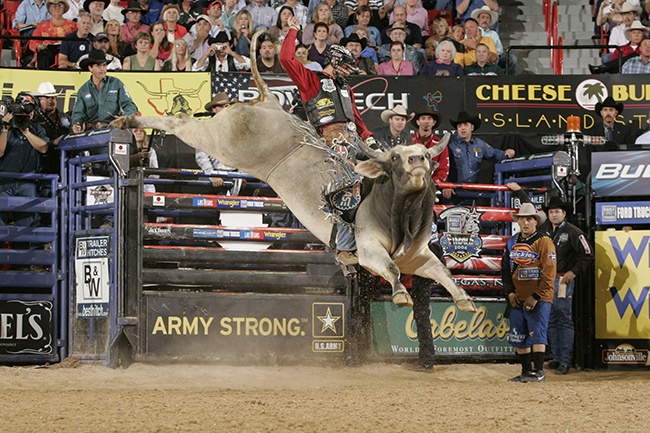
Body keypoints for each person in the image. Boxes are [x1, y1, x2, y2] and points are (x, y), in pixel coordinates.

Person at [280, 15, 376, 265]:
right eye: (345, 66)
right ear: (334, 62)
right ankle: (345, 247)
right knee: (347, 189)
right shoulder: (312, 81)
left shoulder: (346, 89)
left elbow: (356, 118)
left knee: (381, 176)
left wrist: (371, 140)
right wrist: (293, 30)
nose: (348, 71)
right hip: (329, 141)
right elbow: (286, 59)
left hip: (352, 139)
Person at [502, 202, 556, 383]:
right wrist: (509, 292)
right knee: (519, 335)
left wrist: (536, 296)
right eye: (522, 219)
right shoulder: (512, 242)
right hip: (518, 297)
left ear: (535, 221)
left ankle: (539, 371)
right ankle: (526, 371)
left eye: (529, 219)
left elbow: (550, 273)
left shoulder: (544, 242)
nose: (525, 223)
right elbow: (505, 270)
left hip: (539, 297)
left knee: (538, 333)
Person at [544, 196, 594, 375]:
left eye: (557, 211)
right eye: (551, 212)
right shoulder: (546, 231)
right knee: (551, 319)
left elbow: (587, 253)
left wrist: (573, 272)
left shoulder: (573, 232)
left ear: (564, 214)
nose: (554, 214)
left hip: (563, 280)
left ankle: (565, 360)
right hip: (548, 281)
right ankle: (557, 358)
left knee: (563, 319)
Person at [0, 94, 50, 242]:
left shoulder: (37, 128)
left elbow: (43, 148)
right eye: (24, 111)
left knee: (26, 224)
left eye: (31, 110)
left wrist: (26, 131)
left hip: (28, 182)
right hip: (4, 182)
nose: (28, 114)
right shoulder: (4, 128)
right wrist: (5, 128)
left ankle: (22, 263)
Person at [443, 111, 514, 202]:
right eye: (460, 125)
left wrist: (506, 153)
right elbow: (441, 164)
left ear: (472, 127)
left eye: (465, 124)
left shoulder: (479, 144)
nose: (462, 128)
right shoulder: (449, 143)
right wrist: (445, 185)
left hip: (473, 194)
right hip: (454, 193)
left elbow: (494, 155)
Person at [71, 49, 138, 132]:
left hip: (114, 128)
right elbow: (78, 113)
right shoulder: (83, 90)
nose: (102, 68)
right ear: (90, 68)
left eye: (104, 65)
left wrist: (126, 117)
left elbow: (129, 104)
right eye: (98, 66)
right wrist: (77, 124)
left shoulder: (116, 83)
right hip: (91, 130)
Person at [195, 93, 243, 195]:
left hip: (234, 175)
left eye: (226, 106)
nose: (224, 108)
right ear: (214, 109)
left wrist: (241, 175)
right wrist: (212, 175)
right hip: (212, 175)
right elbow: (201, 156)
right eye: (221, 106)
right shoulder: (205, 128)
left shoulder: (237, 129)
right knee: (207, 208)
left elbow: (243, 154)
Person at [30, 82, 71, 176]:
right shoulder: (34, 119)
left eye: (53, 97)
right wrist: (53, 142)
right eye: (47, 98)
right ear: (39, 100)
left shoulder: (64, 117)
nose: (50, 100)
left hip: (64, 163)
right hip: (42, 164)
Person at [29, 0, 78, 69]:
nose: (57, 8)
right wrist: (39, 46)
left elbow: (79, 38)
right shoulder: (42, 26)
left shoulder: (72, 25)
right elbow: (33, 41)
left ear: (64, 9)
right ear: (49, 9)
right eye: (54, 6)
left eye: (60, 6)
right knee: (43, 54)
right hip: (48, 51)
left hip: (68, 51)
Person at [411, 106, 449, 184]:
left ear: (433, 122)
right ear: (418, 122)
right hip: (412, 187)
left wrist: (431, 183)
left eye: (429, 118)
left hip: (432, 187)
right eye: (423, 118)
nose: (426, 121)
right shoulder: (409, 142)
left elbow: (443, 169)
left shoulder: (439, 144)